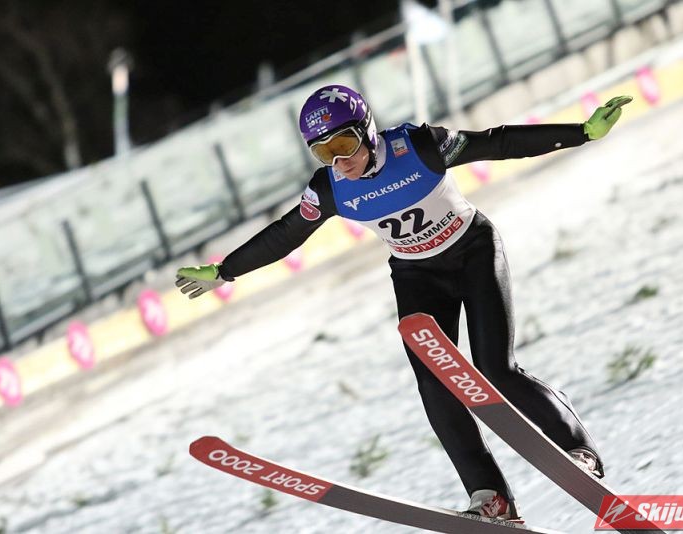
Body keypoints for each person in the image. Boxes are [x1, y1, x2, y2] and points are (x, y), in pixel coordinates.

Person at [176, 85, 631, 522]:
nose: (340, 161)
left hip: (473, 252)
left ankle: (577, 447)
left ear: (367, 130)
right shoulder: (329, 188)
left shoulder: (418, 146)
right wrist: (225, 270)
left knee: (494, 368)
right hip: (417, 276)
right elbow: (285, 234)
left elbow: (497, 143)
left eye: (345, 144)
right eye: (323, 152)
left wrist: (581, 132)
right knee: (435, 385)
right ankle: (490, 496)